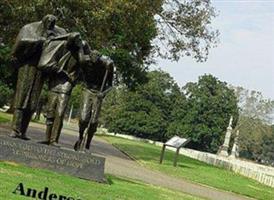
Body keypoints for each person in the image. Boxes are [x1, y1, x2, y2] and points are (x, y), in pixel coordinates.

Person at [10, 15, 66, 140]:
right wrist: (39, 40)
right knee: (21, 98)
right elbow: (21, 43)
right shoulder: (29, 28)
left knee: (32, 102)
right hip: (27, 67)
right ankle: (15, 130)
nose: (50, 26)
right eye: (48, 23)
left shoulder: (58, 31)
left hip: (41, 70)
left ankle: (23, 131)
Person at [38, 32, 88, 146]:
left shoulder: (81, 49)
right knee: (50, 112)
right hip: (55, 82)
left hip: (67, 83)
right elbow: (47, 63)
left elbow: (83, 62)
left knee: (59, 113)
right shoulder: (60, 46)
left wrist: (80, 48)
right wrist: (59, 70)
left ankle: (54, 139)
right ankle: (47, 138)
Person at [74, 46, 114, 151]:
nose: (93, 62)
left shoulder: (107, 65)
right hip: (87, 90)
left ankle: (88, 143)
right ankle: (80, 137)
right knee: (83, 119)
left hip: (98, 93)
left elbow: (110, 85)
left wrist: (103, 93)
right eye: (91, 59)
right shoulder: (85, 61)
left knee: (93, 122)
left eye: (96, 60)